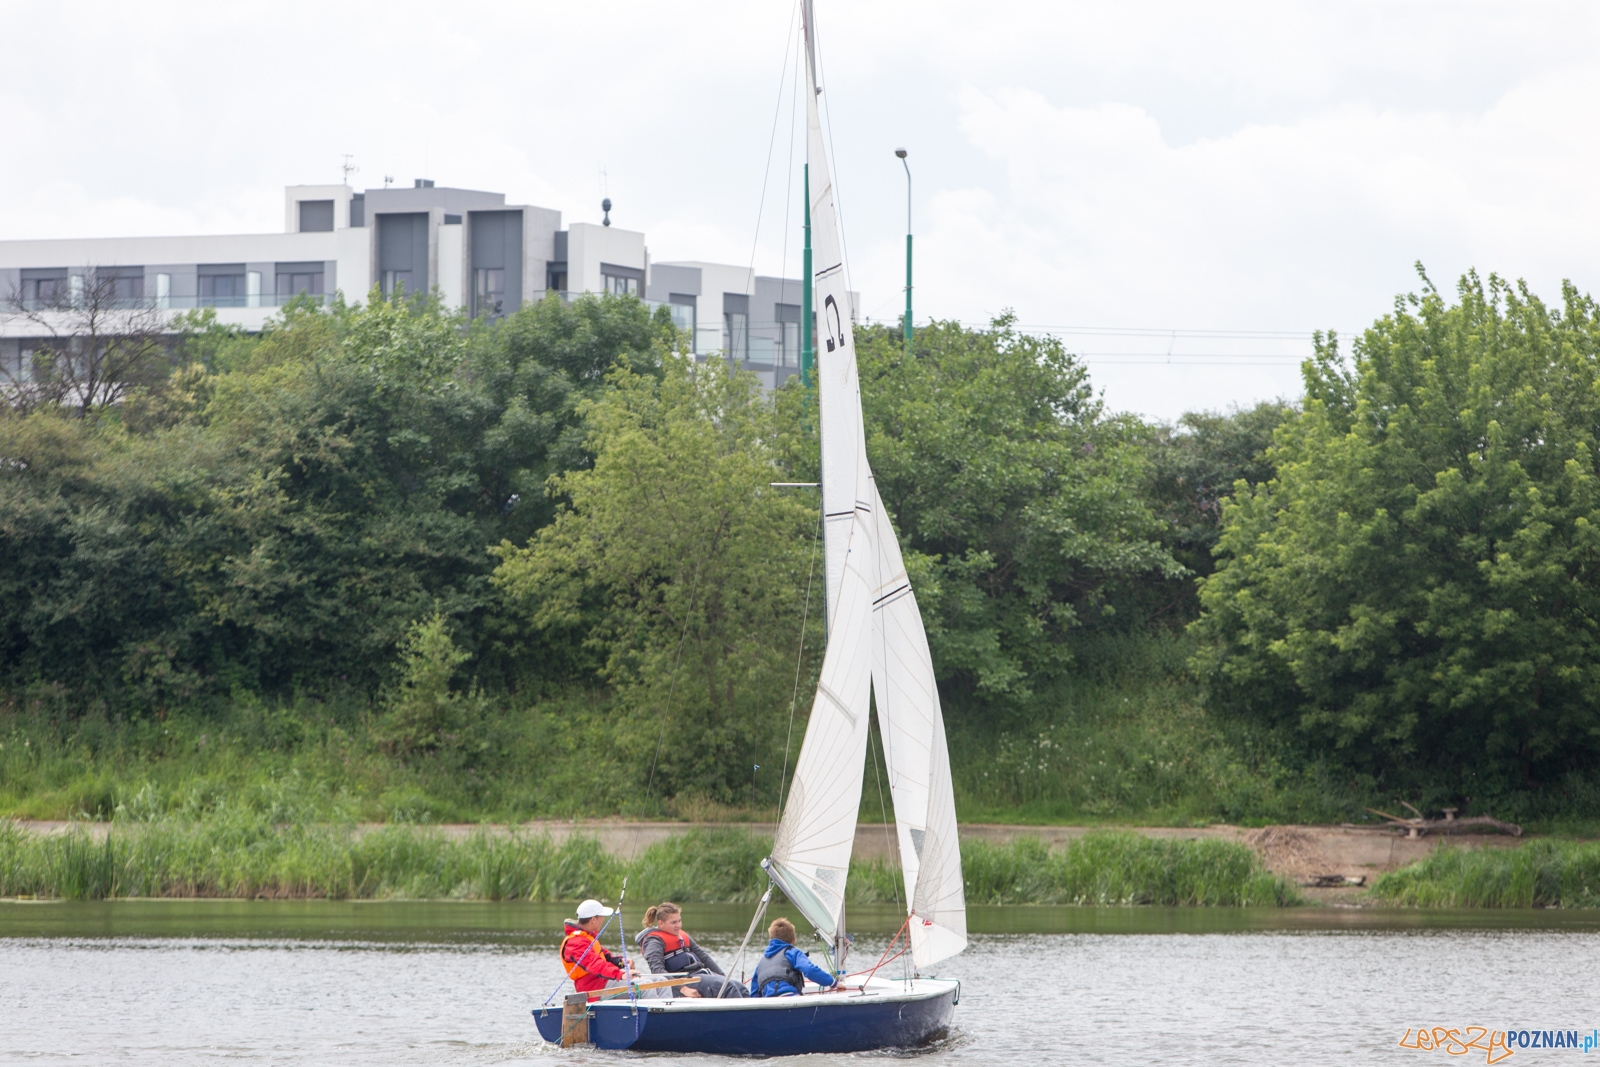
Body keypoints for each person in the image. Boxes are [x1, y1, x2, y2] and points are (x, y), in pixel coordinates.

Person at [635, 902, 747, 999]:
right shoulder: (653, 941)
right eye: (674, 922)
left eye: (679, 921)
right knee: (728, 988)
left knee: (740, 988)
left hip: (700, 975)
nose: (678, 925)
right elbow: (657, 971)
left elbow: (703, 957)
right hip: (683, 981)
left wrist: (723, 977)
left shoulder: (681, 936)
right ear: (661, 923)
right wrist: (683, 988)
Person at [561, 898, 635, 1001]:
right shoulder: (575, 943)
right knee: (646, 986)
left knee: (657, 980)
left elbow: (605, 958)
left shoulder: (588, 938)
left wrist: (621, 963)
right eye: (601, 916)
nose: (603, 919)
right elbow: (594, 964)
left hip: (604, 982)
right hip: (594, 991)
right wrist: (621, 974)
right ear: (593, 919)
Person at [749, 917, 838, 997]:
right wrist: (833, 983)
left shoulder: (761, 963)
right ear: (793, 940)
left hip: (768, 1002)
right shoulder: (792, 953)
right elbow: (810, 970)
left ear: (771, 939)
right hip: (789, 997)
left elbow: (754, 993)